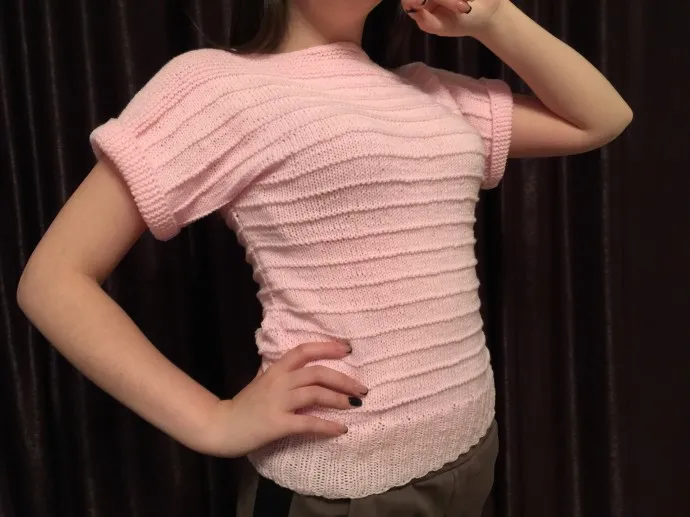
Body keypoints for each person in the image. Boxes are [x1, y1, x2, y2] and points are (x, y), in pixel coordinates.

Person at [17, 0, 632, 515]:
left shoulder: (425, 90)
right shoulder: (218, 85)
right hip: (342, 483)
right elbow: (53, 279)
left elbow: (601, 119)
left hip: (471, 448)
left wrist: (493, 17)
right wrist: (213, 421)